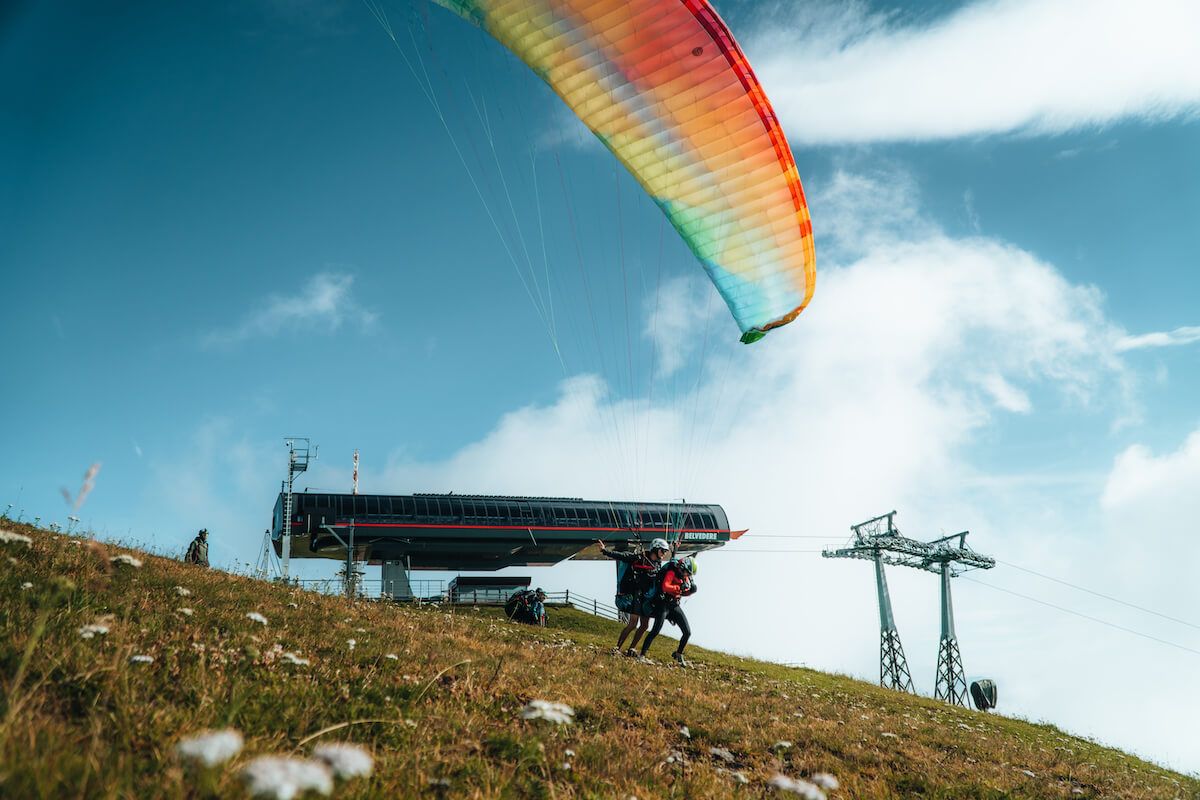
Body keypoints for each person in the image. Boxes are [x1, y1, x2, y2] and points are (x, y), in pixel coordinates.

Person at [597, 537, 668, 655]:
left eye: (665, 551)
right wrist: (605, 551)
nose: (664, 553)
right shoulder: (639, 558)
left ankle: (631, 649)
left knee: (644, 625)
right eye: (663, 551)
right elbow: (622, 556)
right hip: (636, 595)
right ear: (655, 549)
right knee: (633, 624)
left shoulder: (658, 563)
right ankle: (617, 648)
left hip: (647, 598)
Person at [639, 555, 697, 666]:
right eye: (688, 573)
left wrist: (690, 591)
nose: (688, 576)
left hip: (674, 605)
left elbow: (681, 593)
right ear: (683, 567)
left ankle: (678, 654)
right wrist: (679, 588)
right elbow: (666, 586)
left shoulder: (683, 576)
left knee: (687, 632)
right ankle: (642, 655)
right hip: (663, 604)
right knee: (655, 631)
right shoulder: (672, 571)